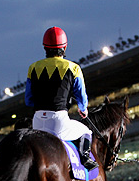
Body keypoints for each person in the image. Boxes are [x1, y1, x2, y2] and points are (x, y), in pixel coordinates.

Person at [25, 26, 98, 171]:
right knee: (86, 131)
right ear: (64, 47)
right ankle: (85, 160)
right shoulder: (74, 68)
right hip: (59, 121)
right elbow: (81, 97)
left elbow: (29, 100)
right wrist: (83, 110)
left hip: (37, 122)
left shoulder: (33, 68)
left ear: (45, 47)